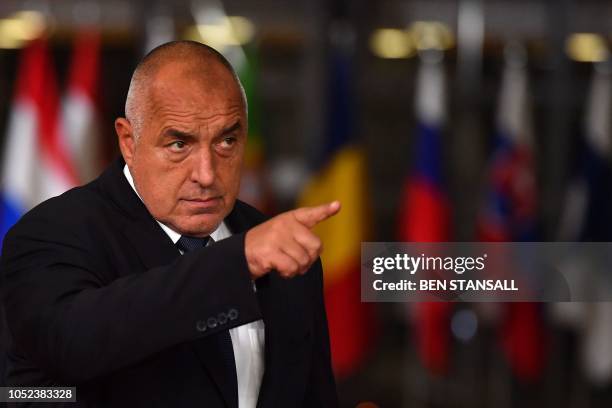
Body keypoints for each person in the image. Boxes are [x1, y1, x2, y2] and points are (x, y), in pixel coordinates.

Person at [1, 40, 340, 407]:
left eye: (227, 141)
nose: (207, 175)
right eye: (179, 145)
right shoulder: (51, 234)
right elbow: (72, 343)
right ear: (128, 142)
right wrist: (238, 264)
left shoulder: (281, 253)